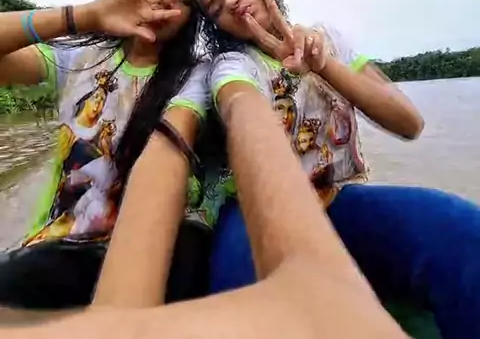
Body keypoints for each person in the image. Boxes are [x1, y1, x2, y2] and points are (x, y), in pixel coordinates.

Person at [1, 55, 406, 338]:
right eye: (215, 1)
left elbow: (237, 109)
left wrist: (309, 266)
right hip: (74, 236)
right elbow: (173, 145)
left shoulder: (207, 70)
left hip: (196, 226)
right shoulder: (88, 58)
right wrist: (84, 16)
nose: (231, 1)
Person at [196, 0, 480, 339]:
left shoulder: (327, 40)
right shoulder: (232, 64)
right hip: (254, 212)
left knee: (461, 232)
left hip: (335, 199)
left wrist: (322, 65)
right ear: (217, 26)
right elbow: (240, 105)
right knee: (246, 305)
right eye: (216, 8)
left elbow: (408, 123)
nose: (231, 1)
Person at [0, 0, 211, 309]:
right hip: (58, 245)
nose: (167, 0)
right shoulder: (81, 59)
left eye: (185, 0)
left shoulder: (195, 76)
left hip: (148, 249)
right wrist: (85, 16)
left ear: (190, 20)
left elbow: (177, 135)